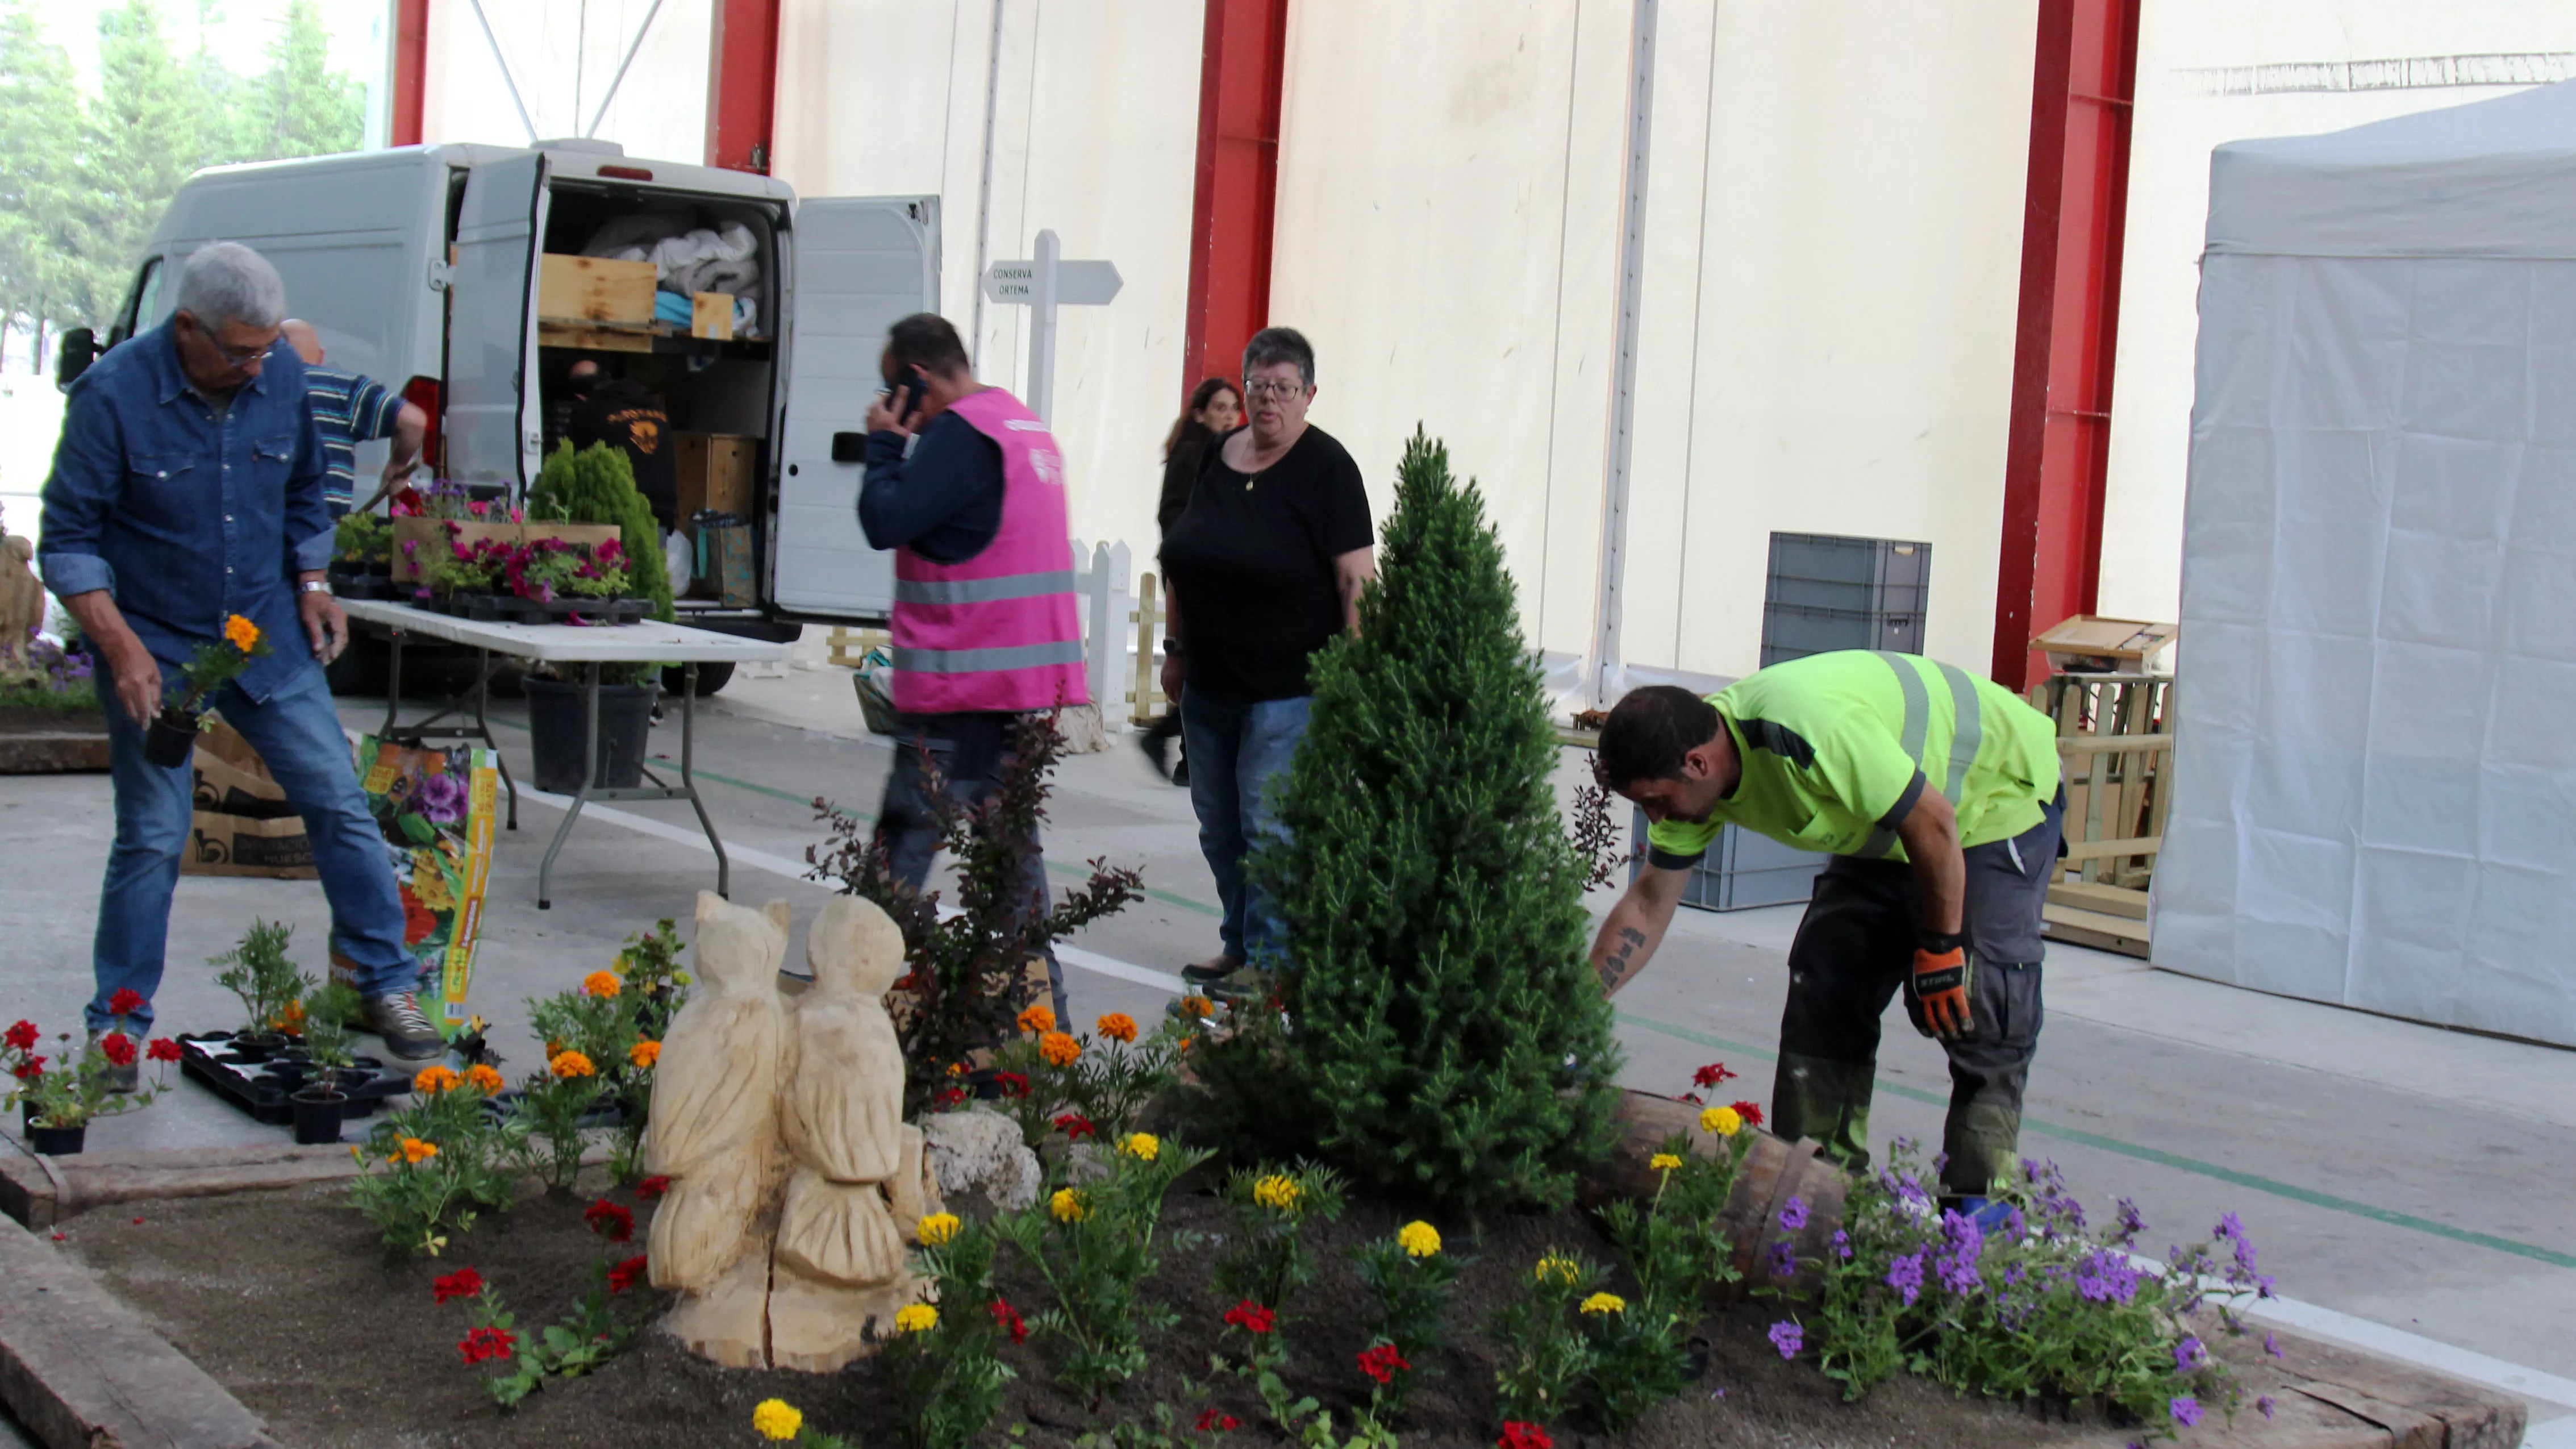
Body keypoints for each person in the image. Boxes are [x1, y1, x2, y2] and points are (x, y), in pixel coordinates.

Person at [36, 242, 447, 1074]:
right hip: (155, 642)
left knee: (338, 799)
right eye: (238, 351)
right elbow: (69, 540)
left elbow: (304, 490)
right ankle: (117, 1026)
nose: (258, 366)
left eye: (266, 348)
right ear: (186, 328)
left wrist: (314, 577)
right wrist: (119, 648)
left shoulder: (280, 376)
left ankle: (385, 977)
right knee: (153, 835)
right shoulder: (112, 397)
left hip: (263, 634)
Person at [1587, 652, 2064, 1214]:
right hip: (1889, 821)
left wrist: (1940, 950)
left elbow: (1934, 824)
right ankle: (1817, 1203)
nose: (1658, 818)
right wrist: (1579, 1003)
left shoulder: (1807, 732)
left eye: (1657, 802)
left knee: (1981, 1006)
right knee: (1826, 982)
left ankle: (1976, 1229)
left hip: (1993, 798)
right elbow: (1647, 904)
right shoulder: (1701, 783)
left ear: (1696, 764)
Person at [855, 313, 1087, 1021]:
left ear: (913, 380)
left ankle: (846, 1006)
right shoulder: (1019, 427)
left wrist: (884, 447)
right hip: (1018, 693)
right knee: (1014, 872)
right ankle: (1049, 1030)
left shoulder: (957, 435)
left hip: (958, 689)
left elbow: (883, 521)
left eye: (894, 390)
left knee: (898, 865)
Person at [1157, 328, 1375, 996]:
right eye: (1257, 387)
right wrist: (1175, 649)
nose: (1267, 400)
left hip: (1289, 689)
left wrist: (1351, 676)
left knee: (1269, 823)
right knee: (1219, 822)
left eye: (1283, 388)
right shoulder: (1214, 457)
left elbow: (1356, 581)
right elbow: (1180, 559)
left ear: (1309, 394)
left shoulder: (1328, 468)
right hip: (1210, 682)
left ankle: (1273, 960)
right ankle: (1240, 943)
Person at [1138, 377, 1243, 785]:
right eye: (1220, 407)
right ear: (1200, 412)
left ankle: (1180, 752)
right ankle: (1174, 747)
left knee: (1202, 661)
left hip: (1207, 569)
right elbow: (1174, 515)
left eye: (1234, 407)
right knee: (1199, 660)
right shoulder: (1193, 453)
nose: (1230, 415)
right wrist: (1192, 556)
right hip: (1193, 572)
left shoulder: (1223, 453)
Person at [278, 319, 427, 518]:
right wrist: (397, 466)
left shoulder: (257, 388)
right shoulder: (346, 388)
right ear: (321, 356)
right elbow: (414, 422)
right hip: (323, 529)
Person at [564, 359, 679, 528]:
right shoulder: (655, 406)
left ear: (580, 397)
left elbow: (569, 463)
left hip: (617, 514)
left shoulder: (588, 413)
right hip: (661, 512)